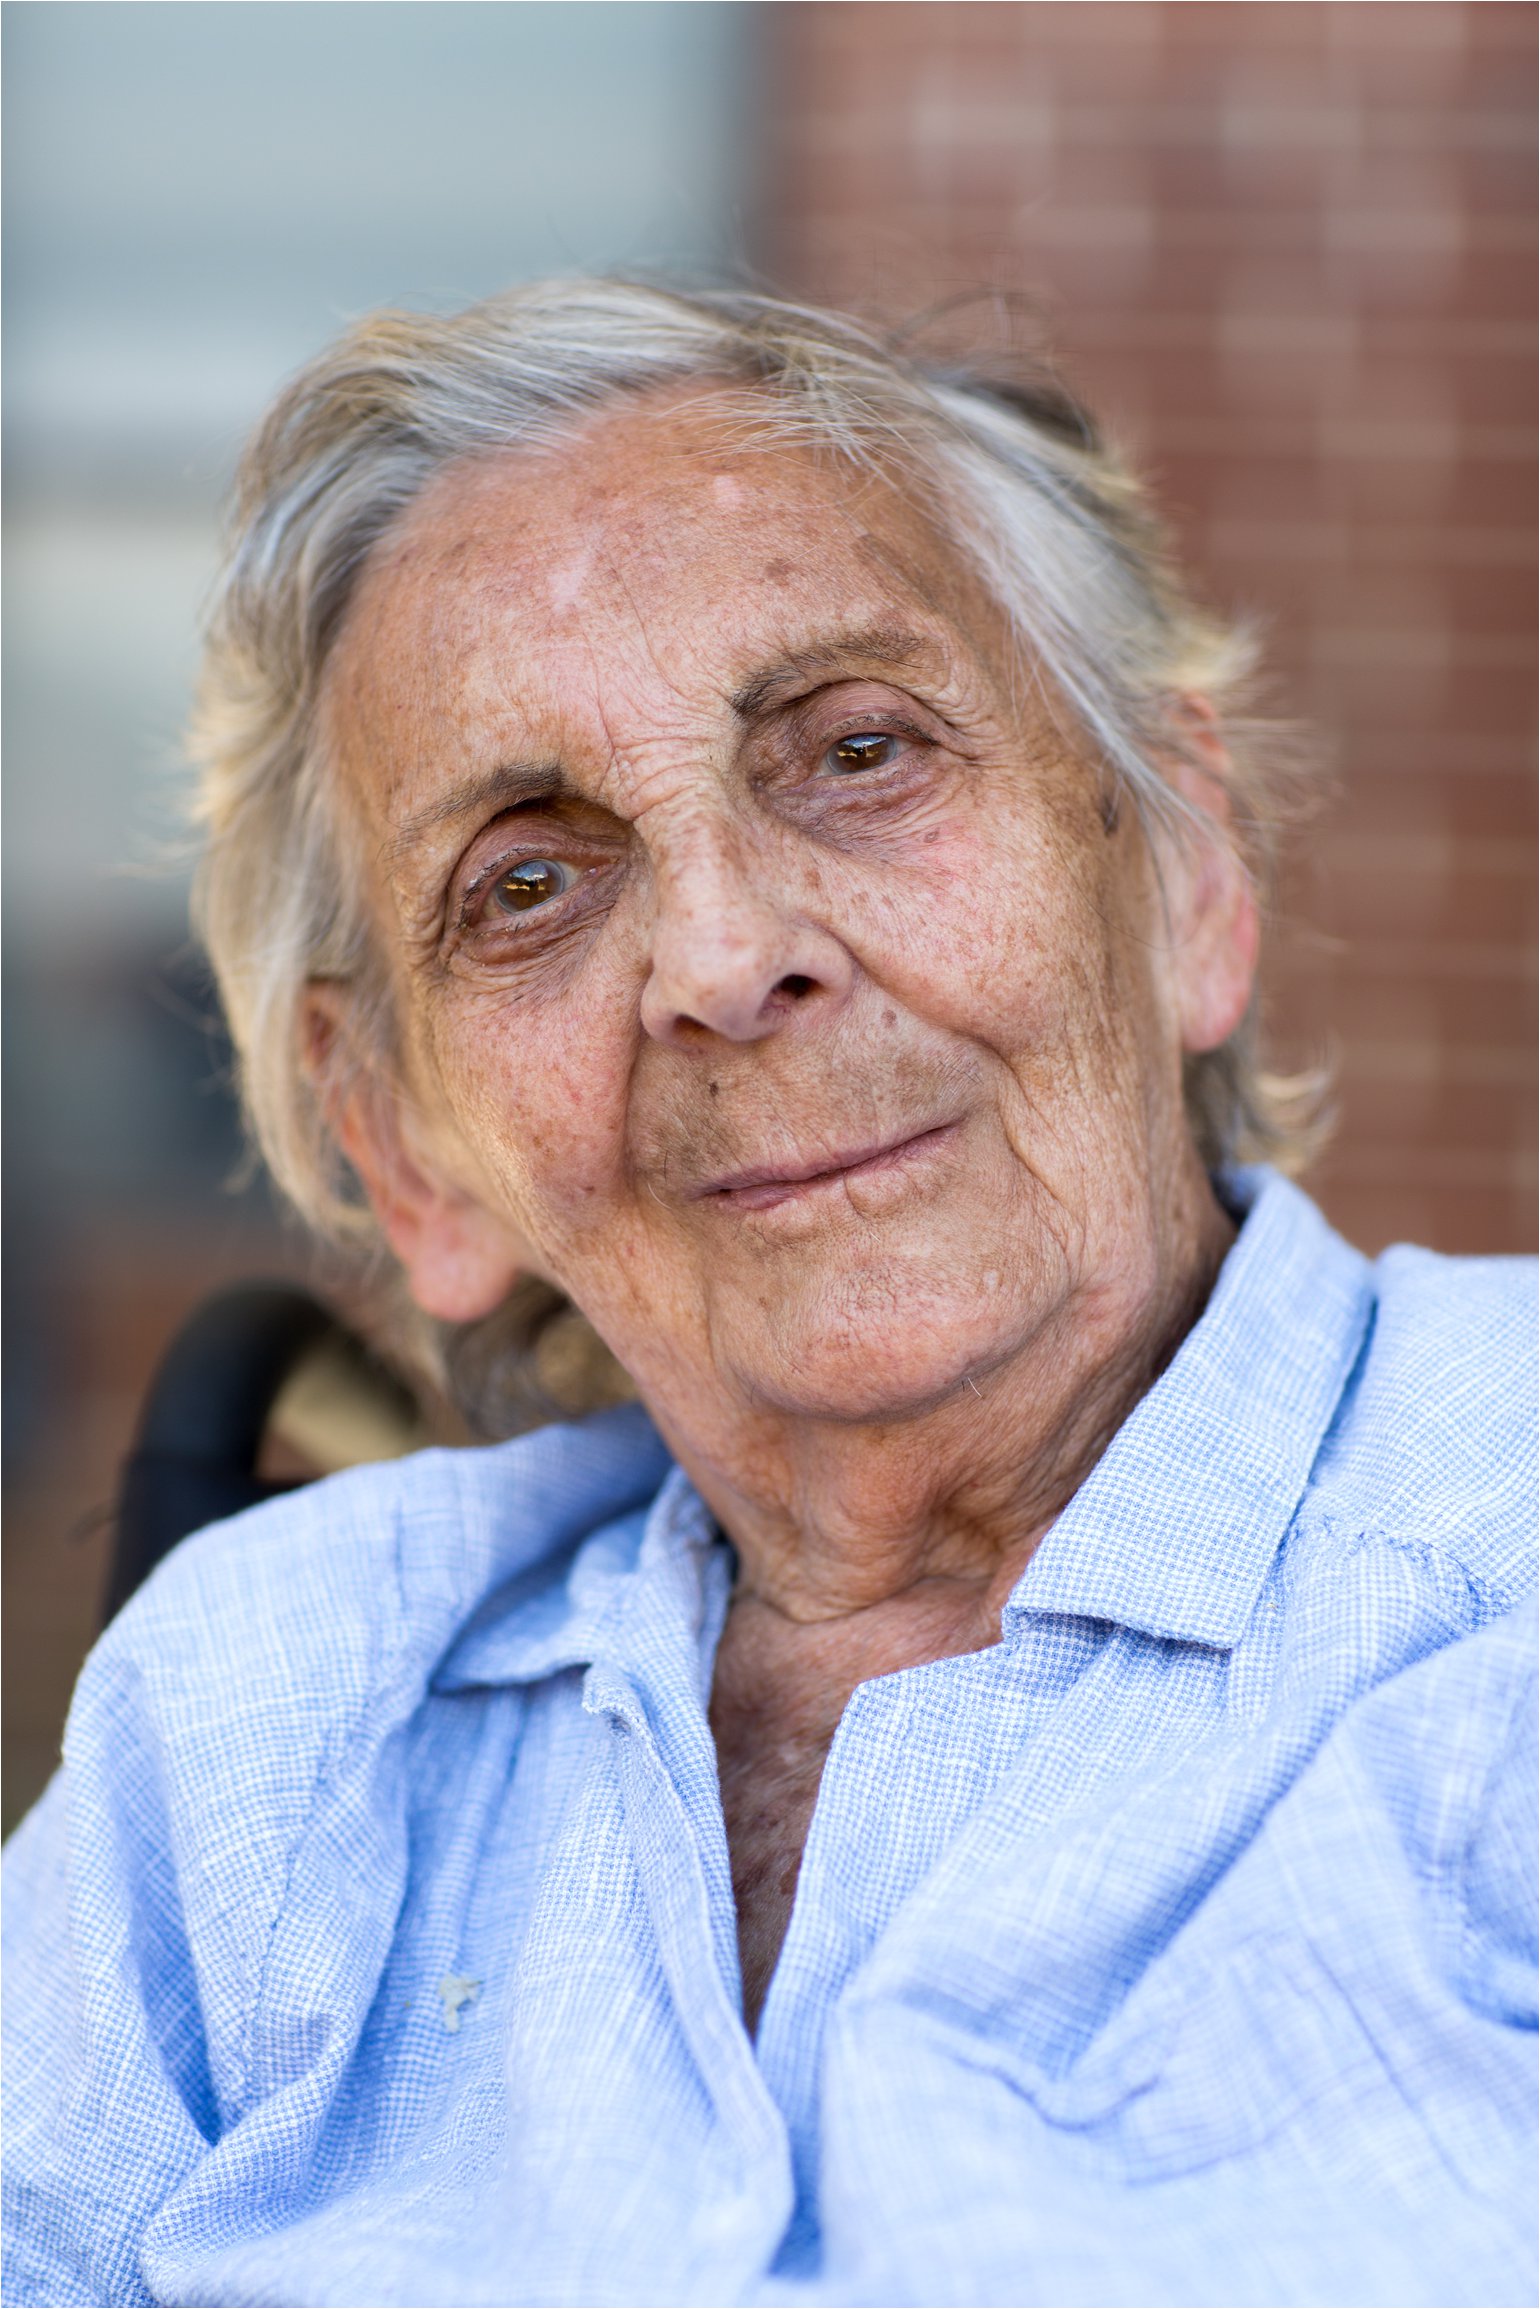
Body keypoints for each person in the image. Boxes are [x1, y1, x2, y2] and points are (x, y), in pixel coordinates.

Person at [3, 281, 1533, 2309]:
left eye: (857, 752)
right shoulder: (256, 1721)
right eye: (528, 881)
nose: (723, 958)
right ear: (399, 1154)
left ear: (1179, 874)